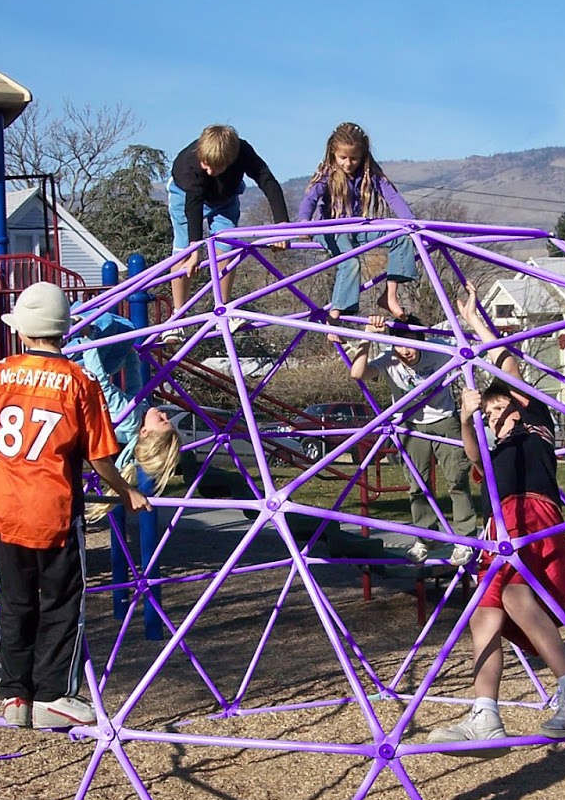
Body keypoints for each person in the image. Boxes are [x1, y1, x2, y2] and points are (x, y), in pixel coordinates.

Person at [427, 286, 565, 744]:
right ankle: (485, 714)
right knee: (482, 614)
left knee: (515, 596)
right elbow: (474, 456)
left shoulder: (535, 423)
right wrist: (466, 419)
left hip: (534, 516)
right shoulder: (496, 447)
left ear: (519, 404)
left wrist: (475, 324)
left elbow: (507, 365)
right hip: (501, 527)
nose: (494, 418)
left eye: (498, 410)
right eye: (489, 415)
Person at [0, 282, 150, 728]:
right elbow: (99, 455)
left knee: (16, 602)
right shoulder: (79, 381)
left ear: (23, 331)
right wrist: (125, 490)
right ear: (64, 330)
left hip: (5, 508)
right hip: (53, 512)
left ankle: (15, 695)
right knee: (62, 602)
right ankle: (54, 695)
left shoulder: (1, 373)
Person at [345, 310, 479, 566]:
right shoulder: (389, 360)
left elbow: (471, 352)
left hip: (444, 419)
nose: (405, 351)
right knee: (417, 485)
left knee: (457, 480)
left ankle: (465, 539)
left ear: (421, 341)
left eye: (410, 344)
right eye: (399, 345)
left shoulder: (438, 349)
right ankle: (426, 536)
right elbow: (357, 373)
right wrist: (367, 336)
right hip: (410, 424)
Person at [167, 124, 291, 325]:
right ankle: (177, 317)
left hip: (225, 199)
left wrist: (282, 228)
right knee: (184, 253)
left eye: (215, 167)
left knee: (227, 246)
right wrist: (195, 249)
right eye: (205, 164)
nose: (208, 170)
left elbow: (268, 182)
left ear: (231, 160)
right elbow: (193, 205)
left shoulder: (243, 152)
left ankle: (224, 309)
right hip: (186, 198)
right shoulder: (189, 164)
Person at [297, 122, 418, 320]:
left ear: (362, 155)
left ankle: (389, 296)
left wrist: (411, 222)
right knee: (351, 261)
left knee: (401, 238)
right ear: (333, 153)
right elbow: (310, 198)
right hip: (331, 230)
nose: (348, 163)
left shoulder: (369, 172)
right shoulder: (327, 172)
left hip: (357, 228)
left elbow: (392, 196)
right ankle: (335, 314)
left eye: (354, 158)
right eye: (342, 158)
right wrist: (304, 221)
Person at [71, 308, 183, 520]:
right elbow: (134, 386)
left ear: (145, 432)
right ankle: (78, 321)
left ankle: (73, 323)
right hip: (82, 371)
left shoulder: (128, 419)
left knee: (106, 322)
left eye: (162, 421)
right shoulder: (138, 416)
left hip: (77, 369)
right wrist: (132, 356)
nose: (165, 416)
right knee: (126, 331)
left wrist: (88, 339)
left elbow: (99, 382)